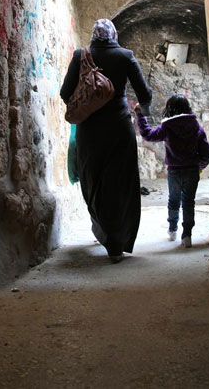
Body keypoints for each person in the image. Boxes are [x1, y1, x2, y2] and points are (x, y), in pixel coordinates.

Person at [60, 19, 152, 263]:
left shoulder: (82, 55)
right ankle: (116, 241)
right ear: (113, 34)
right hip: (119, 129)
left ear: (94, 35)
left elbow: (64, 93)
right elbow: (144, 94)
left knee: (93, 180)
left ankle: (103, 230)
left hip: (89, 130)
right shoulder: (125, 55)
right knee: (120, 182)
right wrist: (143, 113)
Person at [134, 94, 209, 248]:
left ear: (169, 109)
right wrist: (199, 166)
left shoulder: (167, 127)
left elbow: (148, 135)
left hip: (174, 171)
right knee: (189, 202)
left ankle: (172, 230)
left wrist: (140, 115)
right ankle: (187, 235)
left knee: (174, 201)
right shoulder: (196, 127)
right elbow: (205, 152)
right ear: (187, 108)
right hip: (192, 171)